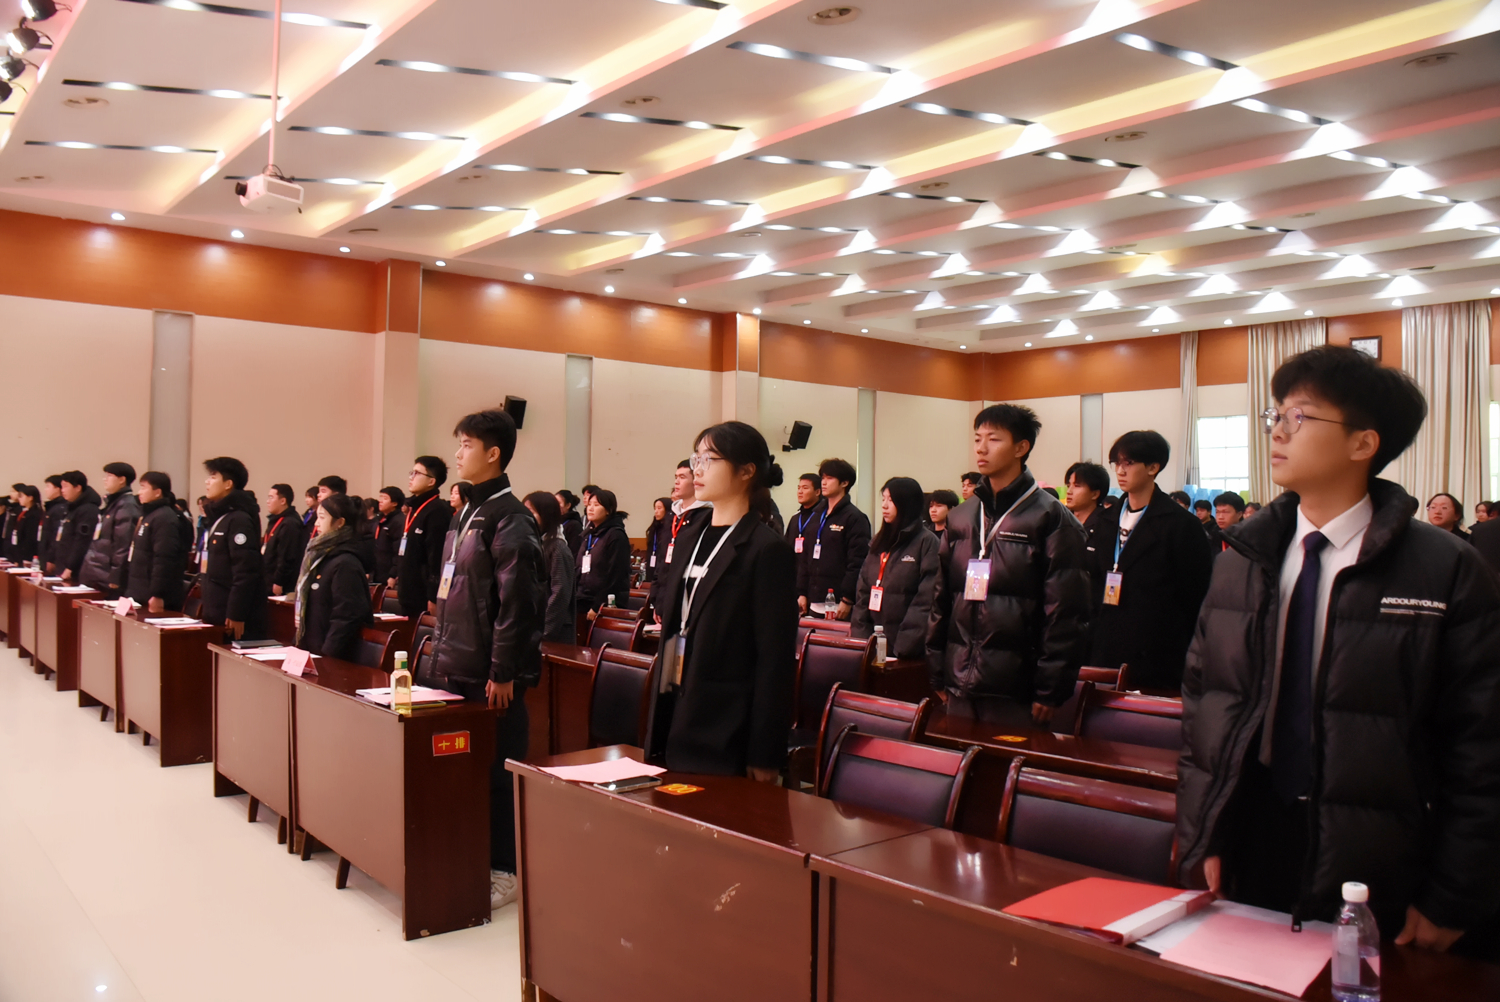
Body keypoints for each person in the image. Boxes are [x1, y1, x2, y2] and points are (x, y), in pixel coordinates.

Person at [1180, 345, 1500, 959]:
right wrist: (1205, 832)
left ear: (1363, 443)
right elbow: (1204, 709)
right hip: (1258, 831)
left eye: (1298, 416)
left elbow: (1482, 745)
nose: (1277, 431)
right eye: (1274, 414)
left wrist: (1455, 894)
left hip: (1384, 851)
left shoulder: (1445, 570)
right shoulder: (1241, 559)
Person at [421, 408, 545, 912]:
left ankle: (506, 870)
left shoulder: (510, 516)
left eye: (467, 445)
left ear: (493, 454)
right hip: (458, 660)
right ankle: (475, 855)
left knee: (497, 771)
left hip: (492, 672)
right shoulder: (467, 511)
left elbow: (518, 602)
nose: (457, 453)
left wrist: (504, 670)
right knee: (465, 768)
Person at [645, 420, 796, 779]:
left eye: (709, 460)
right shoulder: (689, 536)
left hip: (726, 725)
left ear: (746, 471)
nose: (697, 470)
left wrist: (765, 754)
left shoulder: (766, 549)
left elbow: (774, 660)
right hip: (673, 707)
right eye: (696, 459)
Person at [927, 405, 1091, 728]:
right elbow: (941, 599)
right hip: (958, 682)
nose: (981, 448)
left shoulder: (1052, 518)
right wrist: (936, 670)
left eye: (994, 439)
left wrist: (1050, 688)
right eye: (977, 439)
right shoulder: (961, 517)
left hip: (1017, 688)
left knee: (1007, 761)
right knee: (959, 758)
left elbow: (1065, 613)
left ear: (1021, 447)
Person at [1089, 431, 1214, 692]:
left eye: (1129, 463)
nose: (1120, 471)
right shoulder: (1104, 521)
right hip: (1105, 646)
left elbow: (1195, 596)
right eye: (1117, 463)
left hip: (1157, 653)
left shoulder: (1181, 525)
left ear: (1153, 467)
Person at [851, 477, 940, 661]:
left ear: (907, 503)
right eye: (883, 499)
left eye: (891, 500)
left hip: (906, 652)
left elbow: (925, 602)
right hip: (872, 646)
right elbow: (863, 594)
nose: (884, 505)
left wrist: (902, 648)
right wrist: (862, 643)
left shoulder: (927, 543)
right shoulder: (878, 542)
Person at [293, 492, 374, 661]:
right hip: (312, 649)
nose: (316, 523)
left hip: (332, 657)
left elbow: (347, 615)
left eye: (322, 517)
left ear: (340, 523)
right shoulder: (320, 556)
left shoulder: (345, 563)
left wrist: (328, 654)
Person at [198, 457, 266, 641]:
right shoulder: (221, 517)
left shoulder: (239, 519)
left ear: (228, 484)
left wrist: (236, 613)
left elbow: (246, 571)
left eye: (213, 477)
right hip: (215, 607)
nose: (207, 482)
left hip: (230, 614)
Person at [796, 458, 871, 620]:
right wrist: (801, 591)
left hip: (839, 603)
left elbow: (858, 562)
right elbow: (805, 557)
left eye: (829, 478)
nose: (823, 482)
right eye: (822, 477)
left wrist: (848, 598)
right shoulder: (816, 515)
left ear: (844, 483)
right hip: (813, 601)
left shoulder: (854, 518)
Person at [391, 455, 451, 620]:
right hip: (408, 591)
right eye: (411, 473)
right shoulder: (414, 508)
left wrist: (433, 596)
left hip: (423, 596)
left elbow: (437, 557)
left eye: (417, 473)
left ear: (431, 481)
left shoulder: (437, 510)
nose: (411, 477)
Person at [649, 461, 712, 610]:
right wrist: (657, 599)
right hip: (665, 598)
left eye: (682, 477)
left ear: (695, 481)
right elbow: (662, 561)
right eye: (676, 477)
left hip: (687, 600)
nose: (676, 482)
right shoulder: (672, 516)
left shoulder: (706, 517)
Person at [126, 471, 188, 613]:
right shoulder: (148, 515)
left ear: (157, 492)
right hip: (140, 589)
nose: (139, 492)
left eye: (144, 487)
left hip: (154, 594)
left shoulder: (164, 518)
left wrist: (157, 594)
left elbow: (164, 558)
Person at [523, 490, 576, 642]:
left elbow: (560, 594)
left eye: (531, 512)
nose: (526, 517)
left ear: (546, 515)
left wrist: (544, 632)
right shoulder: (537, 543)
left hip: (555, 632)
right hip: (535, 627)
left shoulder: (558, 548)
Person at [575, 489, 631, 617]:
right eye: (589, 504)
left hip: (604, 603)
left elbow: (615, 576)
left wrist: (598, 606)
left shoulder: (616, 535)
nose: (590, 508)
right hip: (583, 598)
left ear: (608, 510)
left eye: (596, 505)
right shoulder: (588, 534)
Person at [54, 471, 101, 584]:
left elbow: (82, 541)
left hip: (76, 569)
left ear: (78, 488)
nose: (62, 490)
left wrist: (70, 567)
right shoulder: (71, 507)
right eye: (61, 487)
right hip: (63, 563)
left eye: (65, 486)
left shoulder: (88, 510)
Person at [1063, 461, 1112, 564]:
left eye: (1077, 486)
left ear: (1095, 494)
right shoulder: (1060, 518)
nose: (1069, 491)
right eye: (1068, 486)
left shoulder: (1106, 525)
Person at [262, 484, 306, 597]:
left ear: (283, 501)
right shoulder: (275, 520)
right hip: (267, 577)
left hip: (279, 583)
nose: (267, 501)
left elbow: (287, 556)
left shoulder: (290, 524)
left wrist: (279, 581)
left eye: (271, 497)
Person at [784, 473, 825, 582]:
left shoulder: (823, 518)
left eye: (805, 488)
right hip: (793, 576)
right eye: (799, 488)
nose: (800, 491)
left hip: (814, 577)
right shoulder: (795, 518)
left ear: (818, 492)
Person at [371, 487, 404, 584]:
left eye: (385, 498)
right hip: (377, 570)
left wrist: (393, 574)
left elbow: (399, 550)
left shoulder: (399, 521)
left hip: (388, 573)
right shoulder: (380, 519)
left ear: (394, 503)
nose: (380, 501)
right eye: (380, 497)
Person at [6, 484, 42, 565]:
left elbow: (30, 538)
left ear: (30, 498)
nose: (19, 499)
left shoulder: (34, 514)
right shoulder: (24, 512)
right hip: (18, 551)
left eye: (21, 496)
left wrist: (25, 557)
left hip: (27, 555)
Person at [38, 475, 66, 572]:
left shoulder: (59, 509)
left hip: (52, 558)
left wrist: (51, 558)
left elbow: (56, 535)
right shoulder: (51, 508)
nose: (45, 490)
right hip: (44, 555)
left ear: (57, 489)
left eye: (48, 486)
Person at [641, 497, 671, 584]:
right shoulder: (655, 528)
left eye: (659, 508)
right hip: (652, 565)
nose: (656, 511)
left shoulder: (671, 529)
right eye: (655, 508)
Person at [556, 490, 583, 558]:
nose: (555, 506)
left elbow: (575, 551)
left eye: (559, 503)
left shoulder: (574, 525)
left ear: (568, 505)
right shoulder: (554, 522)